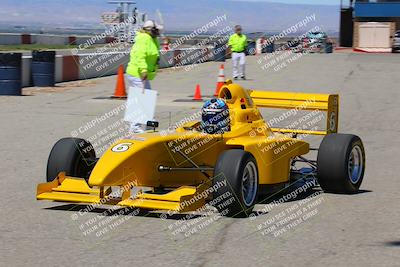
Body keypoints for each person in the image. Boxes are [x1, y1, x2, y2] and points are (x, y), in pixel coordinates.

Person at [126, 20, 163, 133]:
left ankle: (148, 124)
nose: (158, 32)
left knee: (145, 97)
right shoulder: (143, 39)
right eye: (156, 30)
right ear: (150, 30)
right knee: (144, 98)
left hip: (140, 74)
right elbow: (139, 55)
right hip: (137, 73)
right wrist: (143, 70)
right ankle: (135, 127)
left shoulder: (152, 39)